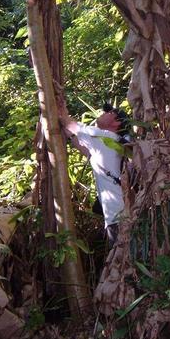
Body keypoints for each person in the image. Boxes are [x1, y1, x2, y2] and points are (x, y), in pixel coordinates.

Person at [59, 102, 130, 246]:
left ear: (116, 124)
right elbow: (82, 147)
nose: (104, 113)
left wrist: (59, 105)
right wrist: (70, 135)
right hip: (122, 215)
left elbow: (69, 124)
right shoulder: (110, 145)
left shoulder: (105, 137)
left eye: (110, 113)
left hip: (118, 218)